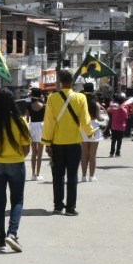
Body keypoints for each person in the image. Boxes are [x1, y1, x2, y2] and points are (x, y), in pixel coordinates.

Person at [43, 68, 92, 216]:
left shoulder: (52, 98)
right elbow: (85, 120)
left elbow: (49, 122)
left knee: (57, 176)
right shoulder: (80, 98)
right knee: (72, 176)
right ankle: (70, 208)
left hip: (57, 143)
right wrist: (90, 132)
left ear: (60, 82)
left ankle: (58, 206)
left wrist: (47, 142)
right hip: (74, 143)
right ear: (72, 81)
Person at [0, 88, 30, 252]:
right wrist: (19, 157)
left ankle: (0, 240)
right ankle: (12, 233)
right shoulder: (19, 120)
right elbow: (26, 147)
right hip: (16, 163)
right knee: (17, 200)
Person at [81, 95, 104, 181]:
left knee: (84, 154)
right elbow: (99, 118)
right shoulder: (96, 104)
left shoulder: (82, 103)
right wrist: (104, 119)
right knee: (92, 155)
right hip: (94, 126)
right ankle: (91, 176)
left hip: (84, 127)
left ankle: (83, 176)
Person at [26, 88, 46, 180]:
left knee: (34, 152)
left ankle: (33, 174)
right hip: (41, 126)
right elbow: (46, 119)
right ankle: (38, 174)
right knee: (40, 153)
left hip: (32, 127)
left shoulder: (29, 106)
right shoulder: (44, 106)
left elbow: (26, 119)